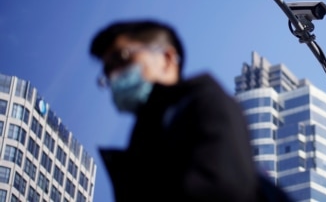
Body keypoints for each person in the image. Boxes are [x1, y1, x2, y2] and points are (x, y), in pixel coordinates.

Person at [90, 19, 291, 201]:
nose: (115, 75)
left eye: (122, 58)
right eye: (108, 71)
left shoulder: (204, 101)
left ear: (167, 58)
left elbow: (224, 190)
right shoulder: (145, 138)